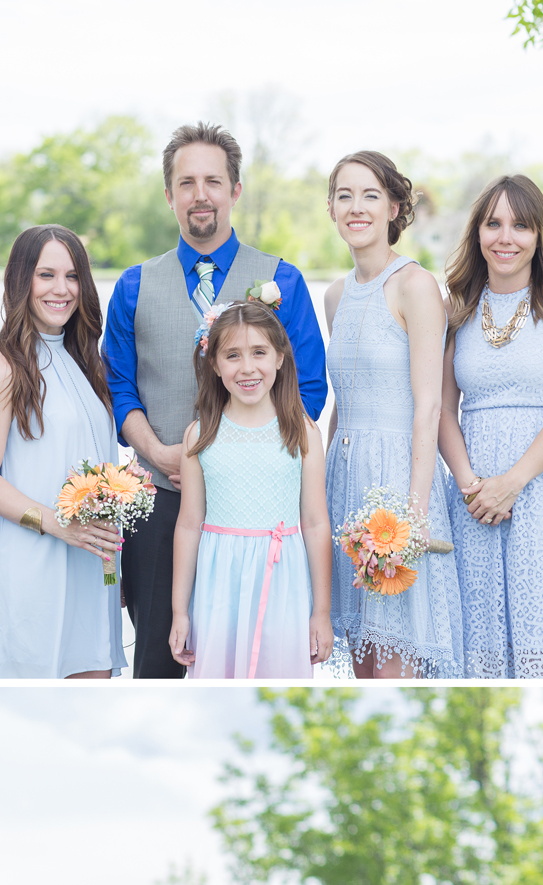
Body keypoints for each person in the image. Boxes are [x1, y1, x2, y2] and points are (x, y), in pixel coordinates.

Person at [105, 122, 328, 678]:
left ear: (235, 190)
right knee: (159, 660)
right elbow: (119, 386)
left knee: (259, 660)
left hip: (258, 511)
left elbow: (309, 389)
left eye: (213, 181)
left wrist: (243, 454)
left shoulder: (283, 280)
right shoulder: (133, 286)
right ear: (169, 195)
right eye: (186, 183)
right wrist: (157, 451)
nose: (200, 194)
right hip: (160, 506)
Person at [437, 174, 543, 678]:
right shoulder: (457, 308)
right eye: (493, 224)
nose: (505, 237)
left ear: (540, 234)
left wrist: (512, 483)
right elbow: (443, 410)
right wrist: (473, 487)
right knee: (478, 647)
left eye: (520, 225)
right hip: (473, 501)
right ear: (477, 234)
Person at [321, 152, 464, 678]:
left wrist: (414, 515)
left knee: (399, 658)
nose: (356, 207)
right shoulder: (336, 295)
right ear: (332, 209)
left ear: (394, 208)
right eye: (344, 195)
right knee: (363, 656)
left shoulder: (416, 287)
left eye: (370, 195)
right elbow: (343, 400)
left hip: (399, 484)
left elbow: (429, 407)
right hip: (345, 482)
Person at [0, 225, 124, 678]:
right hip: (35, 554)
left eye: (72, 276)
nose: (62, 289)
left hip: (93, 557)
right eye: (46, 275)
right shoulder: (5, 366)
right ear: (21, 281)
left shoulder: (86, 360)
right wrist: (56, 525)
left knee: (93, 677)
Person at [169, 298, 332, 678]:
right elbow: (189, 525)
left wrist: (320, 612)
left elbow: (315, 523)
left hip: (283, 581)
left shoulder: (303, 433)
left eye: (259, 352)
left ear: (279, 357)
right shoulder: (199, 436)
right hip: (218, 582)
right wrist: (181, 611)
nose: (247, 368)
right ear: (214, 362)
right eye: (232, 355)